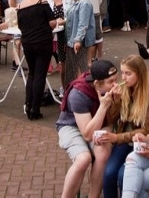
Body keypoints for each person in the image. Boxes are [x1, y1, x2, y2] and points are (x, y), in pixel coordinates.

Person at [56, 60, 118, 198]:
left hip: (98, 125)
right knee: (84, 159)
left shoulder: (110, 91)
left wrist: (107, 128)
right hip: (71, 126)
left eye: (116, 80)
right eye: (110, 81)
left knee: (103, 152)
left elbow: (110, 121)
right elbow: (88, 134)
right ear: (97, 84)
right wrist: (103, 106)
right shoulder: (78, 93)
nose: (115, 85)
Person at [99, 55, 149, 198]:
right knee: (108, 174)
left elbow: (147, 129)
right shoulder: (124, 90)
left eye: (128, 74)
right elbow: (111, 120)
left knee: (123, 176)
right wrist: (116, 102)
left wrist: (116, 137)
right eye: (122, 73)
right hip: (123, 142)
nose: (123, 78)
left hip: (140, 142)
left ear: (139, 74)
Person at [17, 0, 56, 120]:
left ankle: (28, 104)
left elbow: (20, 25)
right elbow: (52, 22)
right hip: (42, 41)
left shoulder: (20, 6)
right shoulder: (42, 2)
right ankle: (35, 108)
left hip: (28, 42)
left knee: (32, 73)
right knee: (40, 74)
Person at [64, 0, 96, 85]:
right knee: (72, 69)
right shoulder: (78, 1)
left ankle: (84, 92)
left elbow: (83, 24)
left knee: (81, 69)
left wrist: (78, 40)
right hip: (73, 40)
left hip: (79, 42)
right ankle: (72, 92)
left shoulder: (84, 3)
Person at [49, 0, 69, 89]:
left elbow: (71, 16)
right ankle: (63, 87)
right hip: (53, 33)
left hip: (65, 34)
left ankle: (67, 87)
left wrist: (64, 21)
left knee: (66, 64)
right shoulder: (48, 0)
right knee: (62, 64)